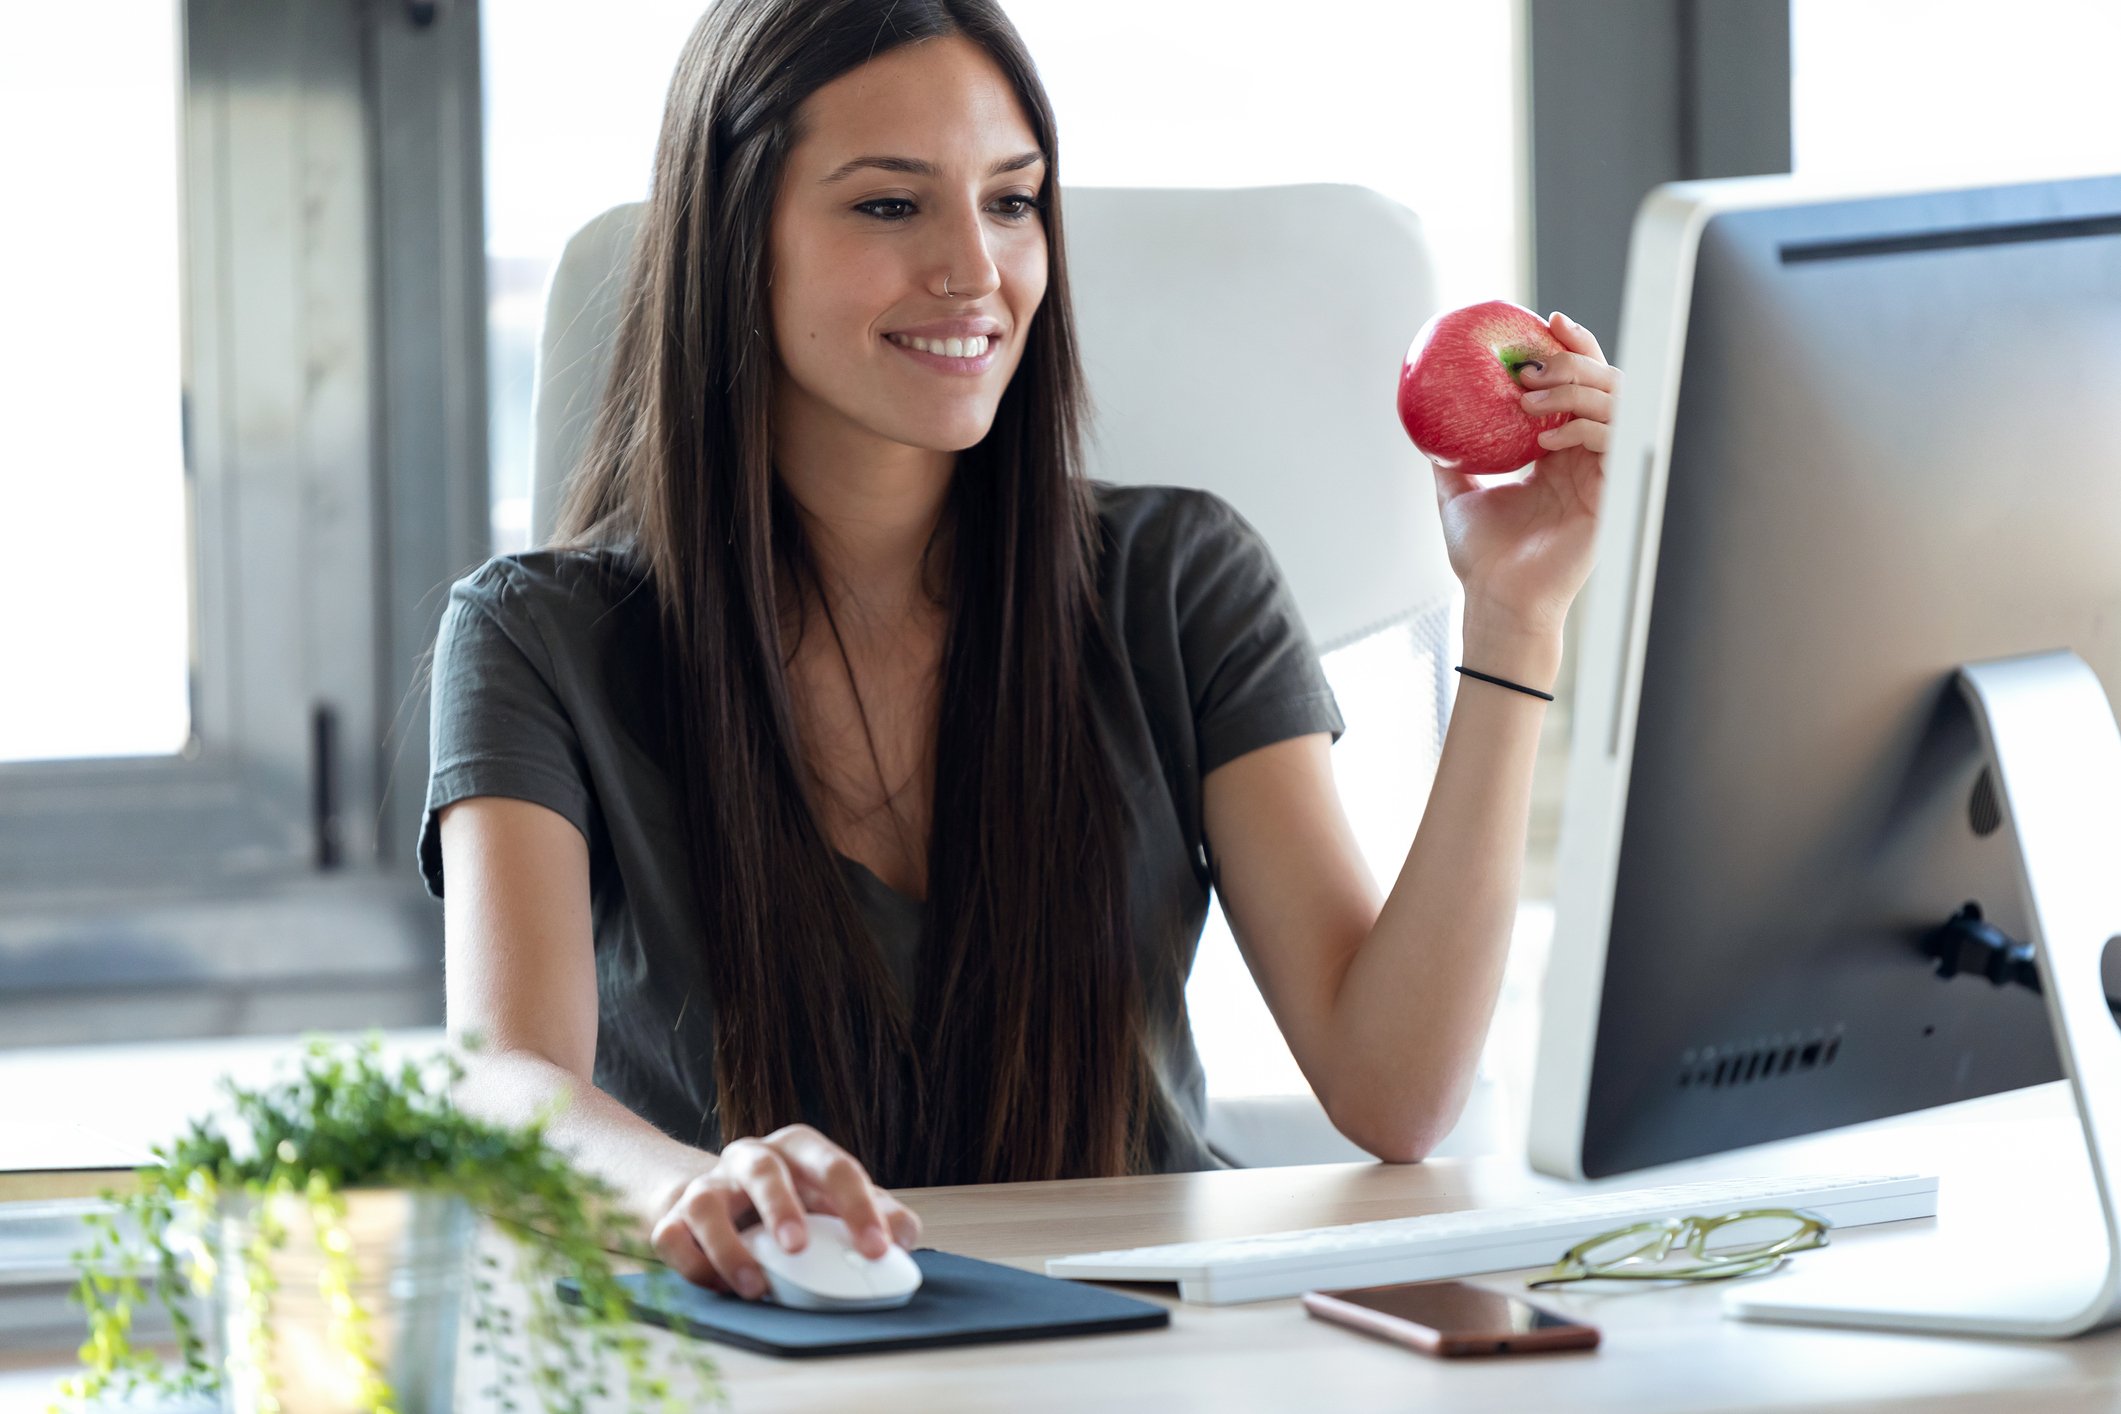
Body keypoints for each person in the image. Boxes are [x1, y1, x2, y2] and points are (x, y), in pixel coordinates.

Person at [423, 0, 1618, 1303]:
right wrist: (686, 1183)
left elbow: (1395, 1092)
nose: (975, 269)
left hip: (1148, 1345)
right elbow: (504, 1079)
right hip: (766, 1345)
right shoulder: (535, 637)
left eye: (1011, 201)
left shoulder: (1179, 582)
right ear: (732, 234)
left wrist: (1516, 612)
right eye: (889, 207)